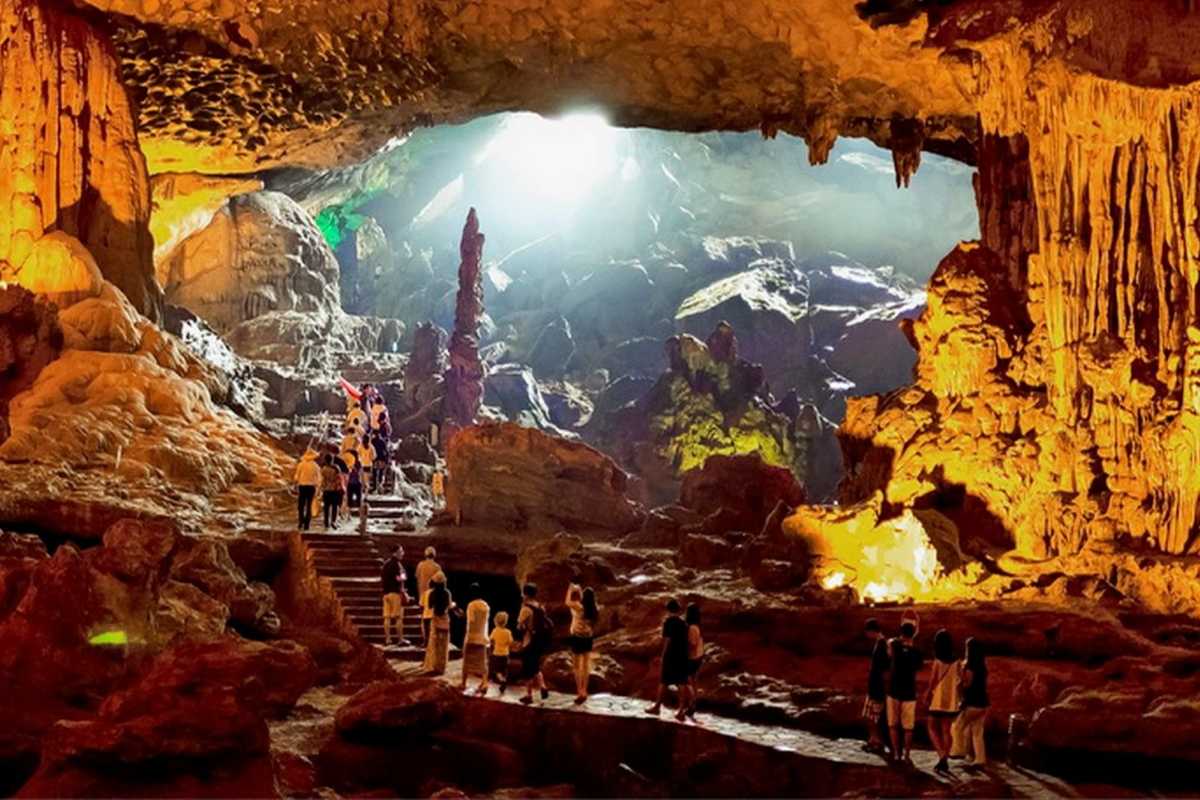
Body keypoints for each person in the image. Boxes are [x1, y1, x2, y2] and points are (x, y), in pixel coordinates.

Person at [886, 618, 924, 764]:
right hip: (909, 691)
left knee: (893, 725)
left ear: (901, 633)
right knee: (908, 727)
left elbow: (889, 644)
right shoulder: (917, 652)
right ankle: (907, 755)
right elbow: (919, 667)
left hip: (893, 690)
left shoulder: (894, 646)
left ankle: (897, 753)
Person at [645, 599, 689, 716]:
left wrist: (663, 655)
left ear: (668, 610)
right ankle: (681, 710)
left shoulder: (668, 622)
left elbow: (667, 640)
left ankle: (657, 706)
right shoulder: (683, 623)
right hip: (682, 655)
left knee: (664, 681)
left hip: (671, 654)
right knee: (681, 683)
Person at [926, 629, 961, 773]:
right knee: (946, 730)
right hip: (951, 699)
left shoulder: (938, 662)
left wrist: (928, 694)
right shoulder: (957, 662)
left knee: (931, 727)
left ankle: (941, 755)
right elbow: (959, 680)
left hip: (938, 698)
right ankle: (945, 757)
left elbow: (933, 681)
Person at [951, 637, 989, 770]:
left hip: (972, 702)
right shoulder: (982, 666)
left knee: (957, 725)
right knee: (977, 731)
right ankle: (980, 758)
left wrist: (959, 678)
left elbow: (967, 684)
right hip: (983, 702)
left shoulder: (969, 666)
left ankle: (958, 751)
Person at [516, 582, 551, 705]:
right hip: (539, 641)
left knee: (527, 669)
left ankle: (529, 695)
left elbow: (520, 626)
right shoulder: (540, 606)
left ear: (525, 594)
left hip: (529, 641)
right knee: (535, 665)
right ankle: (543, 686)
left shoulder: (526, 608)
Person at [565, 584, 600, 704]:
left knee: (576, 666)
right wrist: (580, 591)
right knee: (585, 666)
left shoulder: (579, 607)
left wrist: (570, 590)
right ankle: (585, 691)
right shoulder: (594, 609)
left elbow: (567, 602)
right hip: (588, 637)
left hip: (577, 637)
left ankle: (579, 691)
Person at [861, 618, 890, 755]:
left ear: (871, 631)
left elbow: (884, 669)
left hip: (877, 687)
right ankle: (873, 740)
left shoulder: (882, 645)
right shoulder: (880, 643)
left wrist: (883, 687)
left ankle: (876, 741)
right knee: (870, 715)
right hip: (875, 686)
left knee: (873, 716)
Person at [461, 583, 490, 694]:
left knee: (467, 661)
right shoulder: (486, 605)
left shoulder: (471, 605)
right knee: (482, 662)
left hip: (472, 636)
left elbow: (471, 621)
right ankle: (485, 682)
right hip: (482, 636)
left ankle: (464, 682)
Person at [424, 572, 454, 674]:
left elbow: (429, 606)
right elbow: (449, 606)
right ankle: (442, 667)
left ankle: (433, 665)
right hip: (445, 619)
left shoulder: (432, 593)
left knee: (434, 643)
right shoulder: (447, 593)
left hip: (435, 618)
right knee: (444, 644)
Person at [381, 546, 408, 646]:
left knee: (387, 617)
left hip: (386, 594)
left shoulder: (386, 564)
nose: (403, 553)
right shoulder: (397, 564)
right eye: (401, 551)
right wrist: (403, 576)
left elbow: (383, 578)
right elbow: (400, 578)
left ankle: (388, 639)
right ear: (395, 552)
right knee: (398, 617)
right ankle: (400, 639)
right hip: (395, 593)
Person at [416, 547, 442, 644]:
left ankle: (425, 639)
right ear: (434, 555)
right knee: (434, 618)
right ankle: (433, 639)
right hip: (434, 595)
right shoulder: (437, 567)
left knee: (423, 618)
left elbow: (417, 578)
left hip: (422, 594)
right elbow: (440, 581)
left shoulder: (420, 565)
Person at [683, 603, 704, 720]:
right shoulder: (697, 626)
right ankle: (692, 705)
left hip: (692, 657)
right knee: (693, 681)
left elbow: (692, 644)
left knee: (686, 681)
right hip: (698, 656)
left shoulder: (692, 628)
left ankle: (692, 703)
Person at [293, 449, 321, 530]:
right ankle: (307, 524)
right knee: (309, 505)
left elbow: (296, 477)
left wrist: (295, 483)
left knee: (301, 505)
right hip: (311, 487)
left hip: (302, 486)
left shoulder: (301, 465)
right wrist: (318, 488)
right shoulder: (316, 466)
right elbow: (319, 479)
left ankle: (301, 521)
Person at [489, 611, 514, 696]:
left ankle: (502, 681)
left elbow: (491, 640)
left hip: (496, 654)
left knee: (496, 671)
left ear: (496, 621)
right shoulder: (508, 632)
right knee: (504, 670)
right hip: (505, 654)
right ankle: (504, 682)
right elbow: (510, 642)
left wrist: (494, 644)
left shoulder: (495, 631)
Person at [320, 453, 344, 529]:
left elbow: (322, 480)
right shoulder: (336, 468)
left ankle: (326, 522)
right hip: (334, 490)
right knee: (334, 506)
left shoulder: (323, 469)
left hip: (326, 490)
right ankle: (333, 521)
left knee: (326, 507)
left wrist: (322, 488)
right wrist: (340, 487)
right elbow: (339, 479)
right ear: (332, 460)